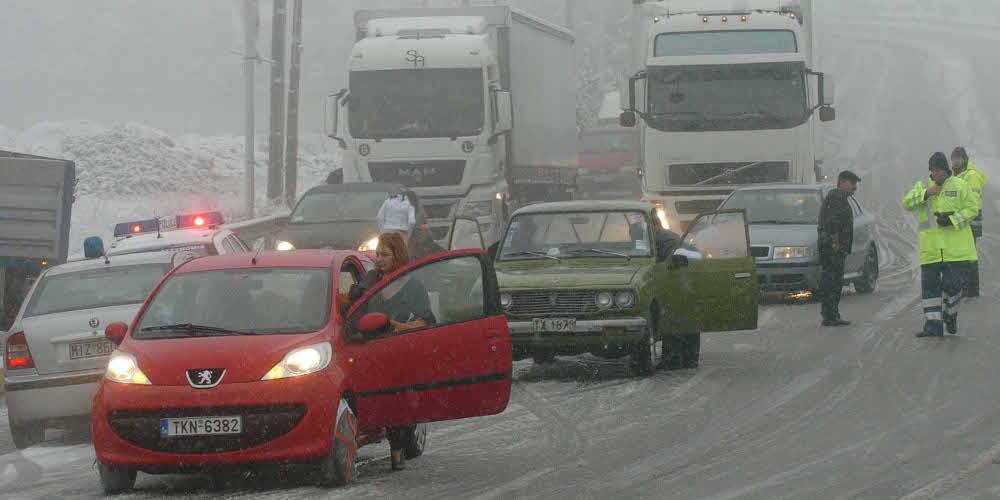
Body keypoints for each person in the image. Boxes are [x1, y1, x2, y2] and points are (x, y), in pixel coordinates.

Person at [345, 232, 434, 470]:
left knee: (400, 398)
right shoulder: (372, 280)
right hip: (372, 351)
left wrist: (399, 327)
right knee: (380, 397)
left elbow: (425, 320)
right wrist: (353, 297)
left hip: (400, 350)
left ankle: (397, 448)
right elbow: (356, 307)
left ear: (398, 255)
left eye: (385, 254)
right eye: (377, 254)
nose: (378, 259)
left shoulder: (413, 285)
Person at [902, 152, 979, 337]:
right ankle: (933, 327)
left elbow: (972, 209)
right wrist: (926, 194)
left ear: (946, 170)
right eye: (932, 170)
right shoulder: (923, 186)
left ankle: (950, 315)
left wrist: (952, 220)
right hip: (931, 250)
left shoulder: (960, 186)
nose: (935, 174)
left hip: (955, 251)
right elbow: (907, 203)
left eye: (938, 170)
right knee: (930, 291)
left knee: (953, 287)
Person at [817, 170, 861, 327]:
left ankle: (832, 314)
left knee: (834, 282)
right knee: (832, 282)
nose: (855, 187)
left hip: (835, 249)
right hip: (832, 250)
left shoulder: (840, 198)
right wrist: (836, 246)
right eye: (852, 183)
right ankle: (830, 315)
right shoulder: (836, 199)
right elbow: (831, 225)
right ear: (842, 182)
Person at [950, 147, 987, 297]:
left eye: (958, 158)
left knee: (969, 255)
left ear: (964, 159)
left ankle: (971, 289)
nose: (955, 161)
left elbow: (973, 201)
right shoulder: (958, 175)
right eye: (953, 158)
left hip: (971, 220)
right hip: (963, 219)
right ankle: (967, 287)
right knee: (964, 254)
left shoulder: (971, 176)